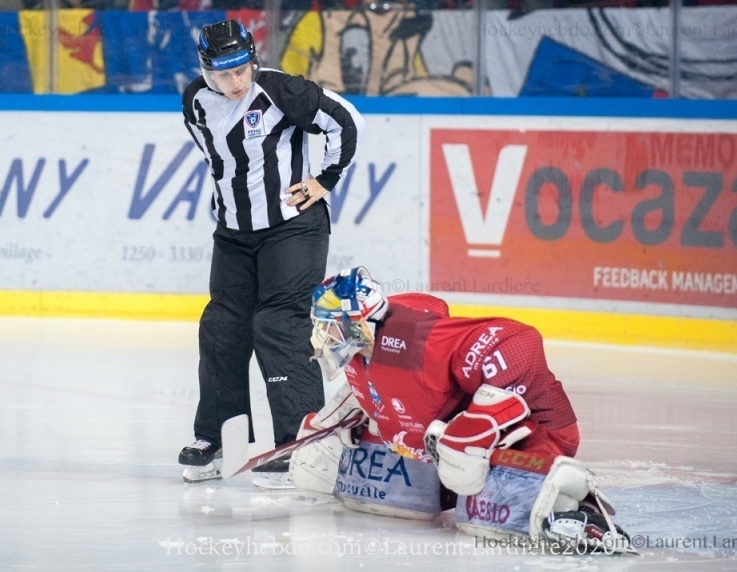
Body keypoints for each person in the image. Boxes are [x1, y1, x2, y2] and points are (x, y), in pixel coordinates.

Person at [288, 267, 633, 553]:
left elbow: (519, 341)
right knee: (337, 475)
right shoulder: (360, 354)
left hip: (536, 431)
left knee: (461, 459)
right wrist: (358, 417)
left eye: (329, 325)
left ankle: (577, 511)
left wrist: (480, 422)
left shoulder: (415, 341)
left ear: (360, 323)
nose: (322, 337)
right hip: (437, 453)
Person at [177, 20, 365, 485]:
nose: (236, 82)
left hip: (293, 230)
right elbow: (220, 160)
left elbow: (346, 121)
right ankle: (218, 437)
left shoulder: (283, 91)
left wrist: (324, 181)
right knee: (222, 325)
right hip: (234, 235)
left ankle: (301, 444)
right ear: (206, 71)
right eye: (224, 75)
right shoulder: (194, 102)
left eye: (242, 70)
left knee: (278, 323)